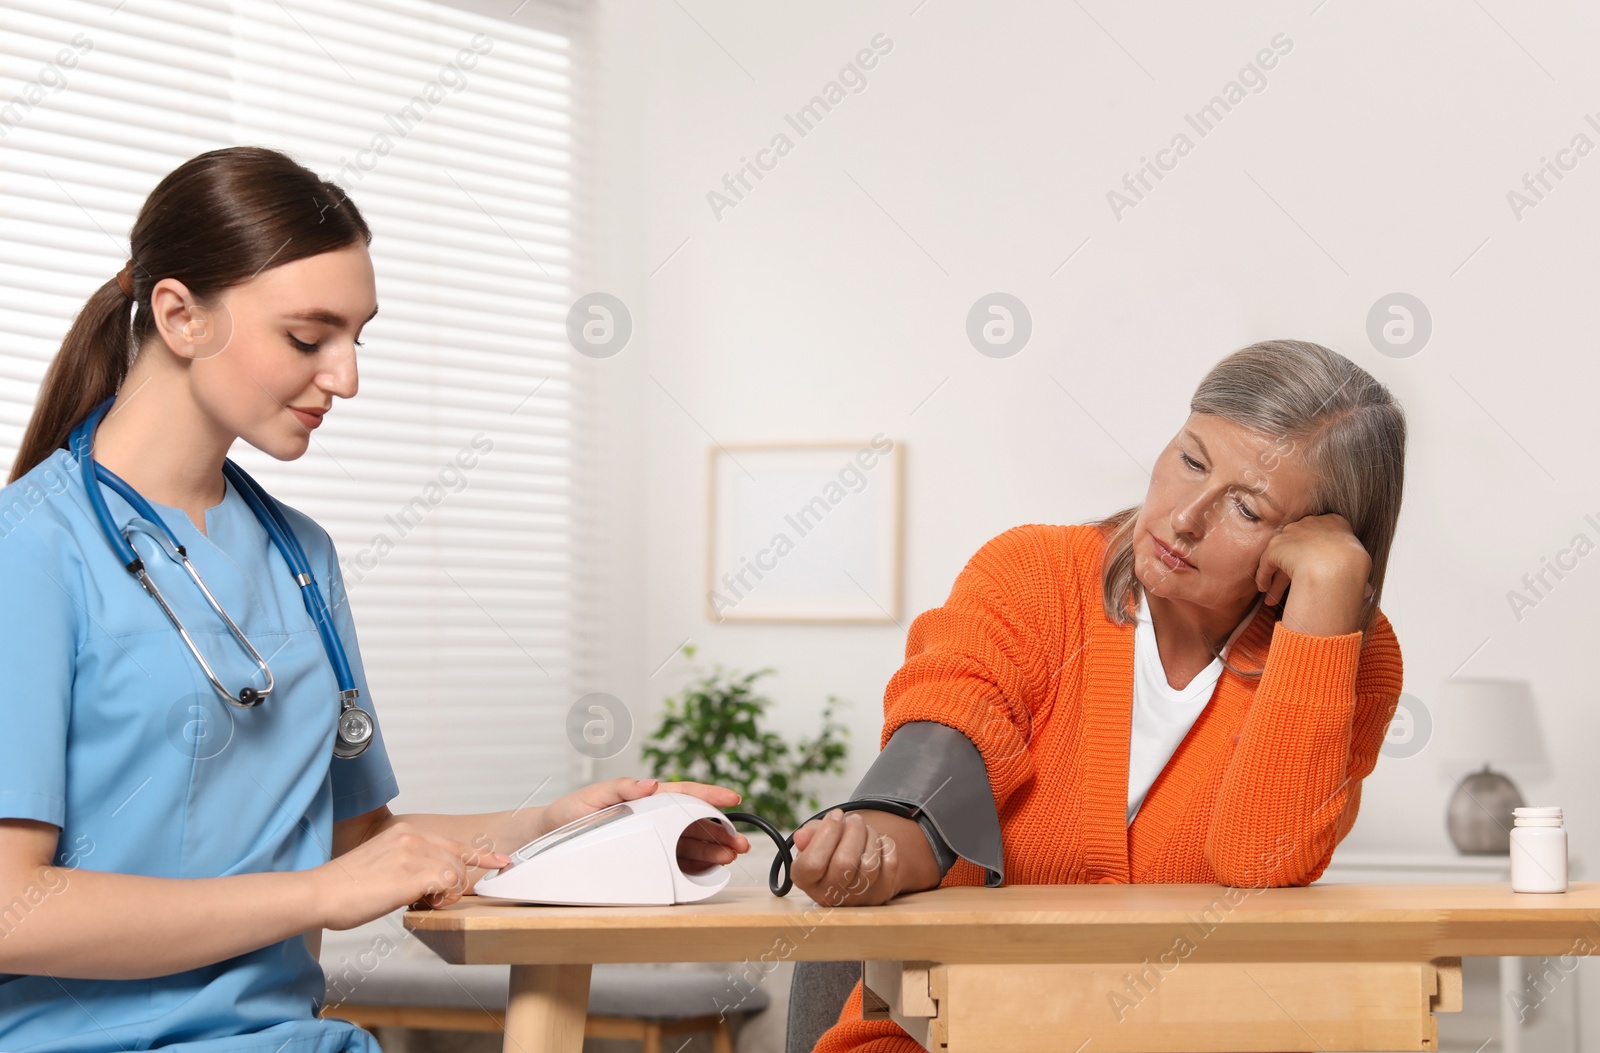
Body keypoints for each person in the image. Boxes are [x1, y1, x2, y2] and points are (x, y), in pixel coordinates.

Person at [0, 146, 748, 1053]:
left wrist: (553, 826)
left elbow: (356, 838)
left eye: (359, 338)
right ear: (179, 315)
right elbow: (13, 909)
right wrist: (319, 895)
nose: (346, 377)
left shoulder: (298, 555)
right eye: (309, 338)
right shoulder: (31, 550)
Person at [788, 339, 1406, 1053]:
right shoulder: (1033, 575)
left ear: (1315, 539)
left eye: (1247, 507)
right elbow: (940, 757)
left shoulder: (1345, 655)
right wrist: (870, 847)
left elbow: (1258, 864)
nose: (1185, 517)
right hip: (937, 1035)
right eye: (1192, 460)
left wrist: (1326, 604)